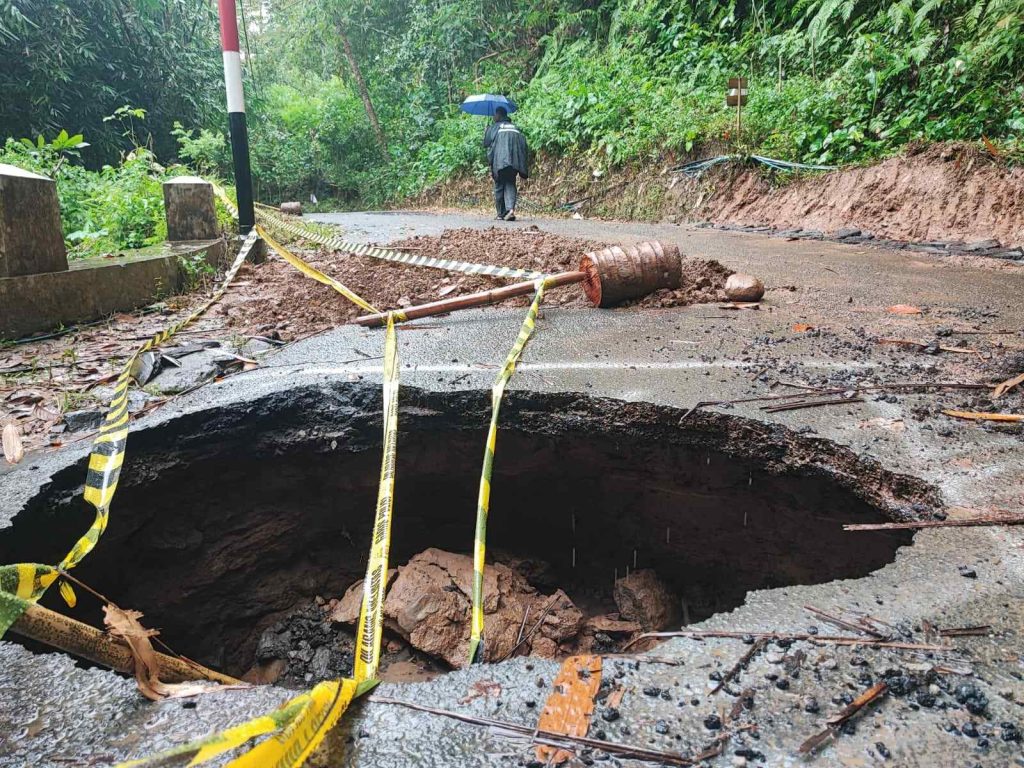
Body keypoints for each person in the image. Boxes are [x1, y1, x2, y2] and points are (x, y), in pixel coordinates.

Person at [483, 106, 528, 221]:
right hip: (515, 161)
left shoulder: (495, 127)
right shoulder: (515, 128)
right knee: (510, 182)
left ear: (499, 115)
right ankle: (510, 210)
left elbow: (486, 143)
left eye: (495, 114)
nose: (493, 117)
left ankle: (500, 214)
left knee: (499, 185)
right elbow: (523, 144)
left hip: (500, 161)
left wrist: (487, 131)